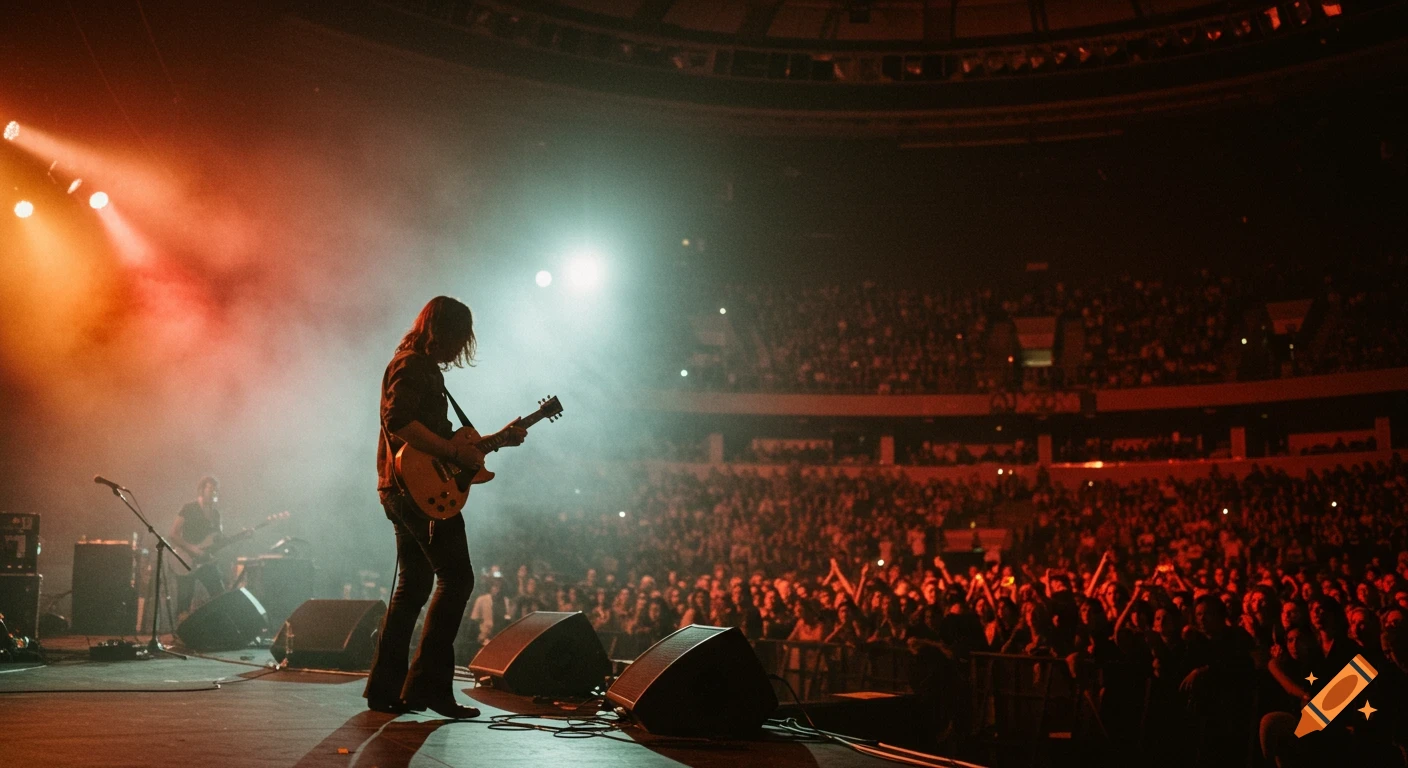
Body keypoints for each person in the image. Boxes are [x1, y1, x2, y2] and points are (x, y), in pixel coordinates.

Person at [363, 296, 526, 718]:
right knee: (457, 580)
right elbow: (397, 421)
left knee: (413, 589)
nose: (461, 349)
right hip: (414, 492)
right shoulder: (413, 365)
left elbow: (441, 442)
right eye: (459, 338)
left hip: (400, 489)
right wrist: (454, 454)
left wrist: (494, 440)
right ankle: (428, 688)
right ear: (443, 331)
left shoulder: (416, 365)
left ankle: (385, 690)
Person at [170, 476, 227, 617]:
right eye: (211, 489)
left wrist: (242, 535)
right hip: (186, 560)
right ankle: (180, 633)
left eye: (216, 490)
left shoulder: (216, 514)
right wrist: (192, 548)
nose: (214, 493)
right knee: (184, 600)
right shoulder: (189, 508)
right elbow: (173, 534)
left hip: (205, 561)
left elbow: (217, 540)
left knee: (219, 594)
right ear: (202, 490)